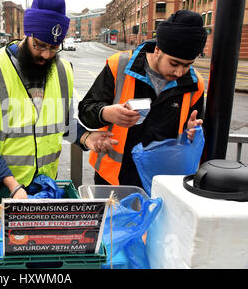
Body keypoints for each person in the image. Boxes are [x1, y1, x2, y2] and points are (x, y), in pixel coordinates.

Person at [0, 0, 117, 199]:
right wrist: (12, 186)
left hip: (43, 186)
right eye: (40, 45)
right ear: (28, 34)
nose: (46, 55)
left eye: (54, 47)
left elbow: (62, 122)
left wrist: (86, 136)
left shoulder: (63, 70)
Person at [78, 10, 207, 189]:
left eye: (187, 65)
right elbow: (86, 110)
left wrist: (193, 132)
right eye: (174, 63)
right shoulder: (119, 65)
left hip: (162, 181)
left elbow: (195, 130)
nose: (179, 73)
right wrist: (106, 113)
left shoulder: (195, 83)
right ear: (157, 49)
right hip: (114, 179)